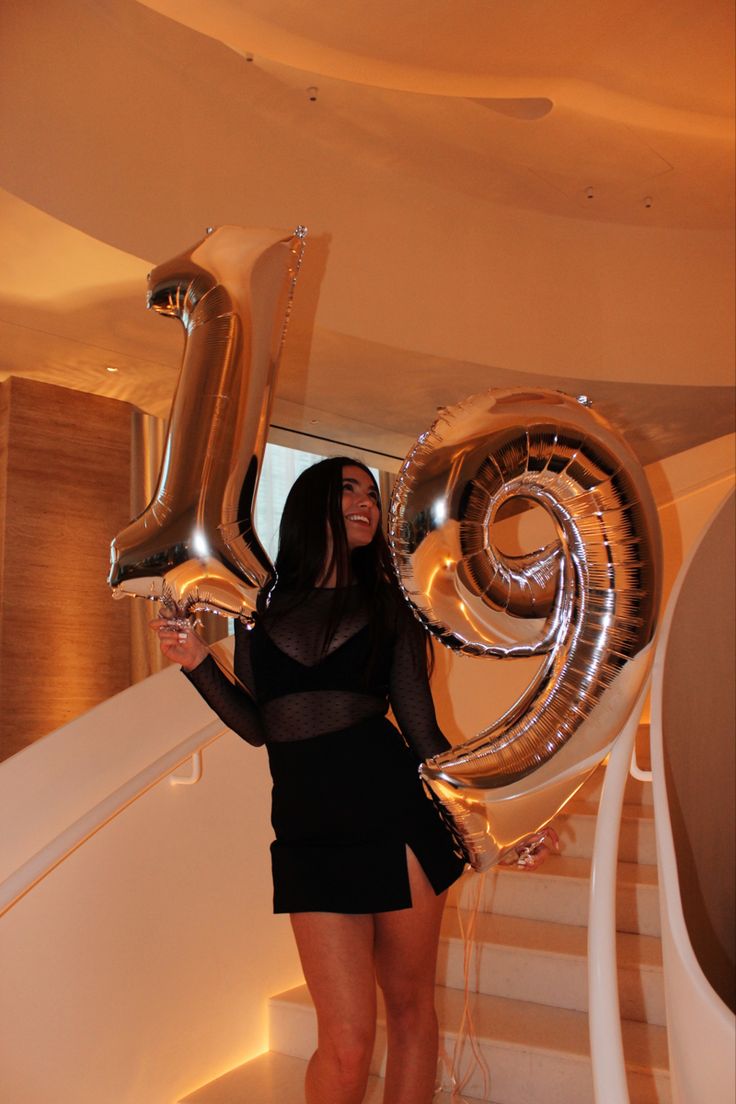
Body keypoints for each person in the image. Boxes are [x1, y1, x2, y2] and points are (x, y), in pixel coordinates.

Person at [153, 457, 465, 1104]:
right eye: (350, 488)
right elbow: (262, 725)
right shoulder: (258, 613)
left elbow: (424, 734)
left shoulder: (390, 609)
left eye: (372, 494)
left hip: (396, 817)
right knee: (346, 1042)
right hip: (308, 832)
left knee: (409, 1014)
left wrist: (488, 816)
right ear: (311, 503)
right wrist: (196, 664)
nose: (367, 503)